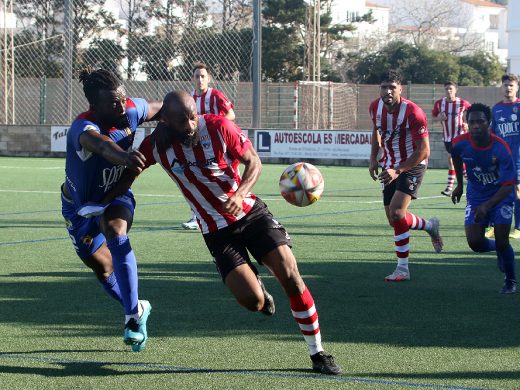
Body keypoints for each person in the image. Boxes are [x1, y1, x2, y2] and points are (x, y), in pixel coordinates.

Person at [108, 91, 342, 375]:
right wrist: (98, 202)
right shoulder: (155, 146)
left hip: (251, 215)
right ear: (166, 121)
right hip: (216, 233)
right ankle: (257, 288)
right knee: (253, 302)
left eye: (193, 116)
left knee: (291, 278)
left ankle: (317, 353)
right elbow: (127, 177)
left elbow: (253, 162)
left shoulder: (219, 127)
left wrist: (241, 192)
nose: (191, 125)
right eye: (182, 121)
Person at [60, 67, 162, 351]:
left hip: (114, 198)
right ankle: (138, 306)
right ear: (94, 106)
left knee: (116, 233)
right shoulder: (84, 127)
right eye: (113, 102)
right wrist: (124, 156)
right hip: (77, 209)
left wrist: (187, 121)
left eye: (122, 97)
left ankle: (132, 318)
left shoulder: (130, 109)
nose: (121, 105)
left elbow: (162, 108)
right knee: (103, 269)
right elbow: (103, 147)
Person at [368, 69, 443, 282]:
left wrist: (398, 170)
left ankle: (403, 269)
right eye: (384, 87)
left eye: (392, 87)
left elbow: (424, 151)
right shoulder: (375, 107)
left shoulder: (414, 113)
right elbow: (376, 131)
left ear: (401, 89)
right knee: (394, 220)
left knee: (397, 212)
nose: (388, 91)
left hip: (413, 163)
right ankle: (430, 226)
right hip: (389, 164)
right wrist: (374, 157)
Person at [451, 103, 517, 294]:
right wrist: (460, 185)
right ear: (467, 123)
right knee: (475, 243)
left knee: (503, 238)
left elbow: (508, 186)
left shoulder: (501, 148)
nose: (476, 126)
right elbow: (456, 157)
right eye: (472, 122)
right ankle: (499, 249)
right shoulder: (459, 143)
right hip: (476, 197)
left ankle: (510, 281)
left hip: (501, 197)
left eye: (480, 121)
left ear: (489, 122)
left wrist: (488, 206)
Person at [181, 62, 236, 230]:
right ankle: (196, 216)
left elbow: (231, 115)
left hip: (219, 145)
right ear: (192, 78)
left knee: (226, 178)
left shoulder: (216, 95)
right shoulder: (189, 98)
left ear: (209, 78)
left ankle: (233, 209)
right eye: (197, 76)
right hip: (198, 145)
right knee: (196, 177)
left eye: (203, 76)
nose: (200, 79)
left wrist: (213, 123)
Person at [487, 74, 520, 240]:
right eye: (506, 85)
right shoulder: (496, 109)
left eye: (511, 85)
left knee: (517, 192)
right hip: (501, 159)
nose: (508, 88)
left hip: (518, 158)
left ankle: (519, 228)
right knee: (498, 191)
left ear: (517, 88)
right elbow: (493, 134)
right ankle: (493, 226)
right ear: (502, 87)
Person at [432, 81, 471, 196]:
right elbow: (434, 117)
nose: (448, 91)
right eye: (446, 89)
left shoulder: (463, 103)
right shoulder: (440, 104)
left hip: (460, 136)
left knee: (452, 159)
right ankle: (469, 181)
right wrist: (438, 117)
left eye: (451, 88)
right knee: (455, 161)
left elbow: (473, 113)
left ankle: (450, 187)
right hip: (447, 138)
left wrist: (467, 124)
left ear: (456, 90)